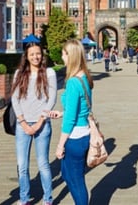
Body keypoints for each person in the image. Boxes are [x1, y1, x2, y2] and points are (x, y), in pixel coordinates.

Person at [47, 39, 93, 205]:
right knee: (67, 175)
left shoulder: (73, 82)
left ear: (71, 56)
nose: (62, 56)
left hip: (75, 137)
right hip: (83, 132)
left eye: (64, 53)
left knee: (76, 180)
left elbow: (71, 120)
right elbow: (80, 108)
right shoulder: (83, 77)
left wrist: (60, 145)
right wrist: (62, 113)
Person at [10, 43, 57, 205]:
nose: (35, 57)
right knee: (22, 165)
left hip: (42, 125)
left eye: (38, 54)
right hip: (22, 125)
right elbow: (14, 99)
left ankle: (47, 199)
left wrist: (39, 122)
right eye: (32, 54)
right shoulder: (19, 73)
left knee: (43, 164)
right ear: (26, 56)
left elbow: (51, 99)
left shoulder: (49, 73)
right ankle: (24, 198)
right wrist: (22, 122)